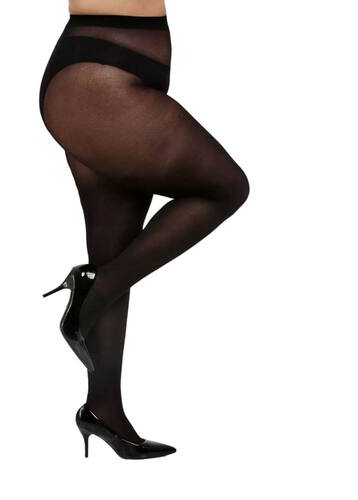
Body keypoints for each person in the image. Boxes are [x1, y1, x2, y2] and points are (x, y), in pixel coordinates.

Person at [39, 0, 250, 459]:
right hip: (99, 80)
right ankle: (93, 289)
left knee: (116, 254)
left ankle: (103, 409)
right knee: (226, 188)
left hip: (107, 74)